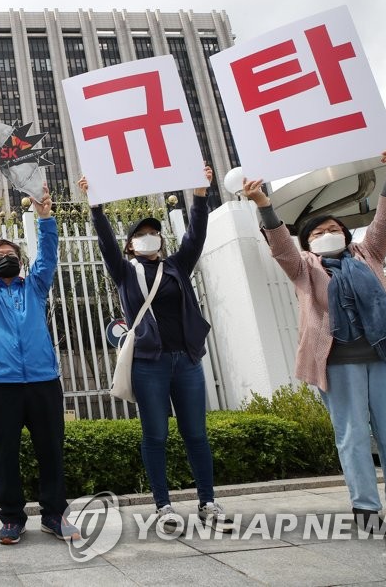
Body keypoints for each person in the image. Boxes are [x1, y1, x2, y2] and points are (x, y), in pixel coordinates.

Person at [244, 142, 386, 537]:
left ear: (346, 235)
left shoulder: (369, 255)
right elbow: (279, 243)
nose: (327, 234)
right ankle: (365, 507)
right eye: (317, 231)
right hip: (338, 364)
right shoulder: (303, 268)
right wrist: (263, 202)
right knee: (351, 435)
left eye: (333, 229)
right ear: (307, 242)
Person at [80, 166, 234, 534]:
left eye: (154, 233)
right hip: (148, 364)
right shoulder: (124, 271)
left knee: (196, 433)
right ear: (131, 244)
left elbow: (196, 235)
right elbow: (106, 244)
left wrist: (199, 195)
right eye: (141, 235)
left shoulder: (177, 266)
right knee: (156, 435)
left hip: (187, 362)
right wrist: (97, 209)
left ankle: (208, 502)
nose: (149, 238)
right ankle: (163, 506)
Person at [0, 183, 75, 545]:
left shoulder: (36, 286)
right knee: (5, 455)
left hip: (43, 382)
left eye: (11, 253)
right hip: (1, 386)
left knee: (51, 451)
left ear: (20, 262)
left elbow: (48, 256)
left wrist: (45, 218)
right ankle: (11, 519)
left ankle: (54, 516)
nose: (5, 257)